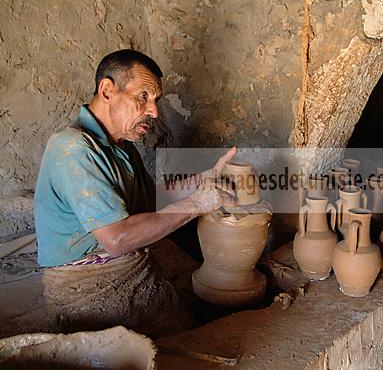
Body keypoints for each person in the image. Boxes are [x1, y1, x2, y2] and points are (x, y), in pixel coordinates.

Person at [34, 49, 236, 335]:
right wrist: (196, 204)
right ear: (107, 91)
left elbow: (148, 200)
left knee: (187, 324)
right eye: (143, 97)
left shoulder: (122, 146)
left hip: (133, 269)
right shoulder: (72, 148)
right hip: (87, 287)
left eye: (155, 100)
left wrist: (202, 180)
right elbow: (117, 237)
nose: (153, 112)